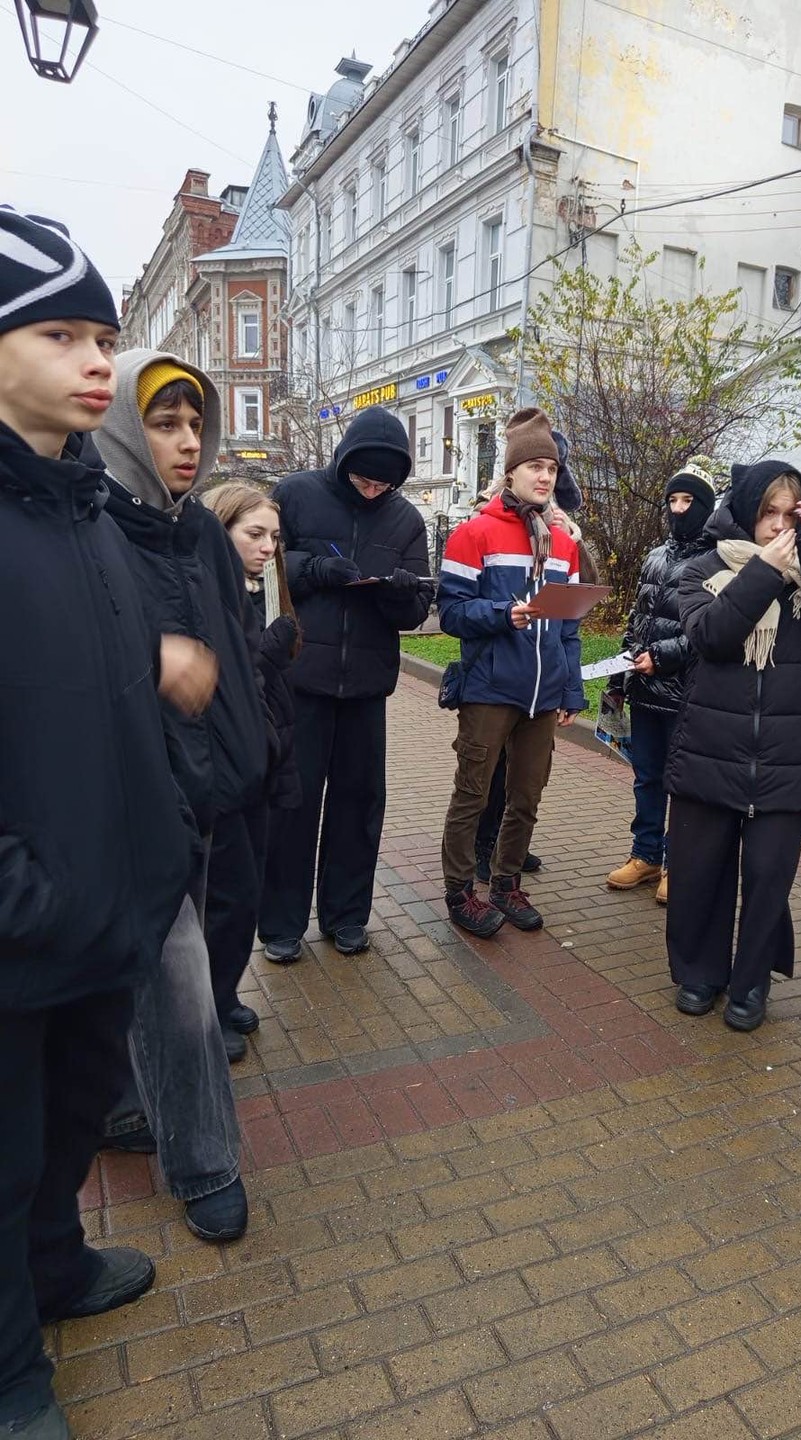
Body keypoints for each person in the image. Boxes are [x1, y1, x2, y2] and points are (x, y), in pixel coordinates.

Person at [0, 210, 197, 1440]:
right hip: (21, 923)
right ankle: (9, 1372)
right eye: (61, 333)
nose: (96, 364)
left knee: (74, 1119)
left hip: (103, 907)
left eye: (104, 337)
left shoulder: (82, 504)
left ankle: (58, 1267)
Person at [95, 351, 268, 1243]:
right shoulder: (86, 524)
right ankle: (203, 1162)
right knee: (180, 977)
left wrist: (249, 755)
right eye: (166, 425)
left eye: (195, 424)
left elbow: (229, 657)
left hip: (204, 787)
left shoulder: (197, 529)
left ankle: (126, 1105)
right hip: (124, 793)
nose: (188, 442)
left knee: (159, 970)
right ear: (125, 428)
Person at [664, 460, 801, 1029]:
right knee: (701, 870)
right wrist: (766, 574)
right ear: (746, 514)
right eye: (767, 514)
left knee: (769, 877)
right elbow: (713, 636)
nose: (778, 527)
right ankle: (701, 973)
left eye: (788, 514)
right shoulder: (702, 568)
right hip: (710, 745)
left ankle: (752, 983)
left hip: (783, 752)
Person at [260, 406, 434, 962]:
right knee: (293, 805)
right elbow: (262, 565)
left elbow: (416, 609)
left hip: (366, 687)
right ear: (342, 463)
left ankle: (346, 916)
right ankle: (282, 925)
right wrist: (313, 569)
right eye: (363, 478)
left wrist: (399, 591)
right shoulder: (296, 494)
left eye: (383, 482)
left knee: (358, 806)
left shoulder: (406, 519)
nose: (371, 489)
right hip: (300, 681)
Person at [439, 407, 586, 936]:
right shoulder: (473, 534)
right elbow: (451, 613)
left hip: (542, 696)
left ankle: (505, 884)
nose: (545, 476)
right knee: (472, 795)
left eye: (551, 468)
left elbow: (568, 627)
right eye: (535, 467)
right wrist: (504, 615)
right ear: (511, 472)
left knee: (525, 799)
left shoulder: (563, 542)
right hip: (489, 690)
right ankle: (460, 892)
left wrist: (572, 690)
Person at [202, 483, 301, 1061]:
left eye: (273, 537)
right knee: (227, 897)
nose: (267, 547)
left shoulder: (259, 590)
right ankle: (205, 1014)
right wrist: (263, 654)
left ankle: (223, 993)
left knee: (249, 891)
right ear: (223, 530)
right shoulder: (210, 595)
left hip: (261, 762)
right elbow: (222, 681)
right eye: (254, 534)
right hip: (223, 772)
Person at [606, 461, 717, 904]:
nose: (677, 508)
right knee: (646, 776)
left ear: (705, 506)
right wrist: (622, 665)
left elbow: (712, 630)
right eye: (672, 500)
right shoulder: (655, 556)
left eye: (687, 501)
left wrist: (665, 656)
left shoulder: (715, 559)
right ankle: (646, 855)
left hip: (686, 691)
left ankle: (678, 863)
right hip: (645, 688)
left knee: (681, 781)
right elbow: (639, 618)